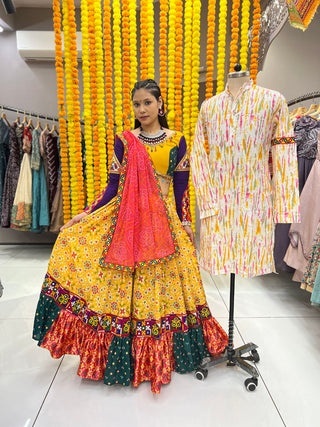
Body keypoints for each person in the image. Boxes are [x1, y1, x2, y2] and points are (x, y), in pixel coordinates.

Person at [33, 79, 228, 394]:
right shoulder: (124, 140)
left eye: (147, 103)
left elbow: (181, 190)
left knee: (165, 291)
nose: (141, 110)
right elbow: (113, 187)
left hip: (165, 223)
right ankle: (126, 355)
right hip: (129, 222)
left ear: (160, 104)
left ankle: (163, 352)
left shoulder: (177, 141)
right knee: (122, 291)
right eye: (136, 104)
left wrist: (187, 222)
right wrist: (87, 212)